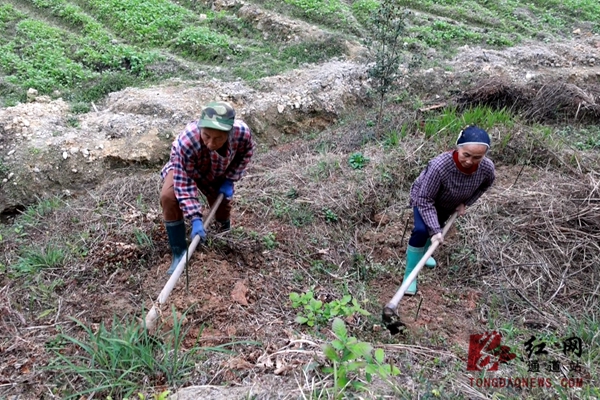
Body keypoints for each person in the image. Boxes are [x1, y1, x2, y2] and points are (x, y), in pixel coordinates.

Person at [160, 101, 254, 274]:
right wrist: (195, 218)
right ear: (200, 127)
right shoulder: (187, 142)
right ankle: (179, 252)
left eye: (218, 138)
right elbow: (184, 184)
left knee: (222, 202)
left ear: (229, 132)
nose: (211, 143)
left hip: (216, 169)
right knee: (169, 196)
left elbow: (246, 152)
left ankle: (224, 235)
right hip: (186, 167)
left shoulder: (242, 133)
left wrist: (230, 179)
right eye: (206, 136)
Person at [402, 125, 495, 295]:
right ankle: (409, 276)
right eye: (466, 155)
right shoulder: (440, 166)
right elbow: (424, 199)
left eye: (477, 157)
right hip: (425, 199)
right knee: (422, 231)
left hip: (450, 203)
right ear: (458, 148)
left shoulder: (486, 168)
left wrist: (466, 203)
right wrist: (435, 231)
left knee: (438, 225)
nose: (469, 161)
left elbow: (484, 186)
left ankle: (424, 255)